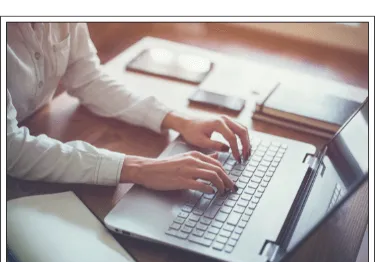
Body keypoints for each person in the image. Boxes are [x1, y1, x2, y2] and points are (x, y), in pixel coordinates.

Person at [7, 23, 251, 195]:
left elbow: (88, 78)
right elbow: (9, 149)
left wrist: (178, 121)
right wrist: (140, 169)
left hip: (37, 127)